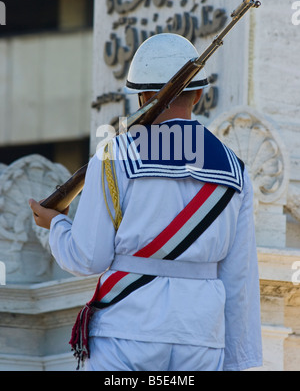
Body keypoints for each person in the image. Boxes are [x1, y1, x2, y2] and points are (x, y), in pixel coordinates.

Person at [29, 33, 262, 372]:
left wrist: (57, 225)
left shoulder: (114, 155)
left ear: (142, 98)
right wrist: (238, 363)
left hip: (127, 333)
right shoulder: (235, 170)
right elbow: (239, 280)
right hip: (201, 338)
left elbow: (88, 257)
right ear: (198, 95)